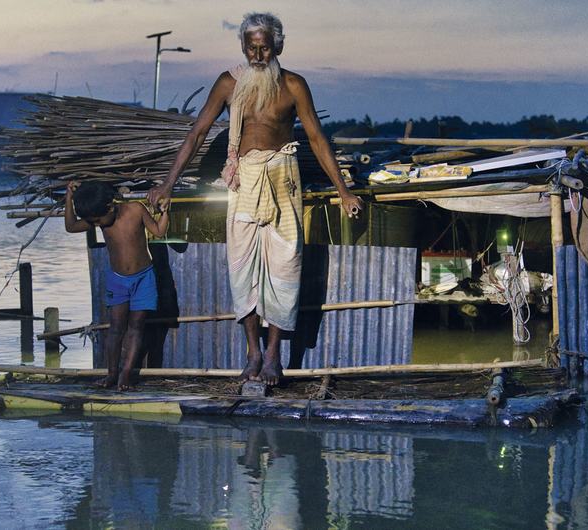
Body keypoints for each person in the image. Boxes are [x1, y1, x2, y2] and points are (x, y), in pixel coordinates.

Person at [148, 12, 364, 386]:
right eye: (252, 48)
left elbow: (316, 138)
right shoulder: (229, 83)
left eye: (265, 48)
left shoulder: (294, 85)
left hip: (284, 179)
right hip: (245, 182)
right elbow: (198, 133)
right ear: (243, 47)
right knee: (243, 268)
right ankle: (252, 354)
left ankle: (275, 357)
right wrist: (167, 184)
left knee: (284, 268)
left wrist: (343, 191)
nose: (259, 55)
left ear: (278, 46)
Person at [65, 180, 171, 390]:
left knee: (136, 327)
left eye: (96, 220)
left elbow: (159, 232)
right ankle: (111, 374)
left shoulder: (136, 210)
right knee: (115, 329)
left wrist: (165, 211)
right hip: (118, 280)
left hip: (144, 279)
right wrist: (69, 198)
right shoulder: (101, 219)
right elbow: (70, 226)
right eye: (92, 222)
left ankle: (125, 375)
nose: (95, 225)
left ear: (110, 207)